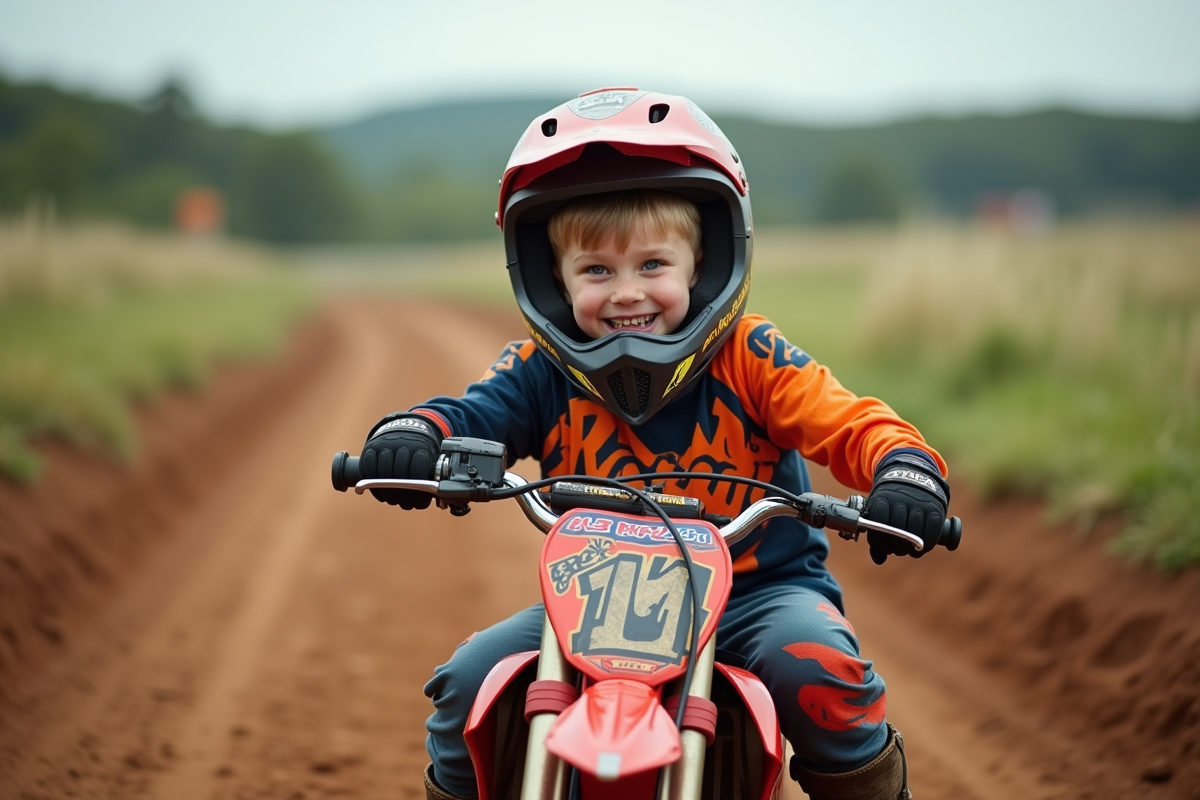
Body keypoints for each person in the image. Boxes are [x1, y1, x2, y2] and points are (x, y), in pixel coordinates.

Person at [359, 88, 950, 800]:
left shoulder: (751, 356)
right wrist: (418, 434)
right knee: (467, 683)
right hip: (594, 607)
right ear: (554, 281)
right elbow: (472, 413)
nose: (626, 292)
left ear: (702, 265)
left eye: (651, 266)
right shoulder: (541, 371)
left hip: (758, 596)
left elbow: (847, 419)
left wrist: (903, 469)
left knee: (820, 672)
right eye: (596, 270)